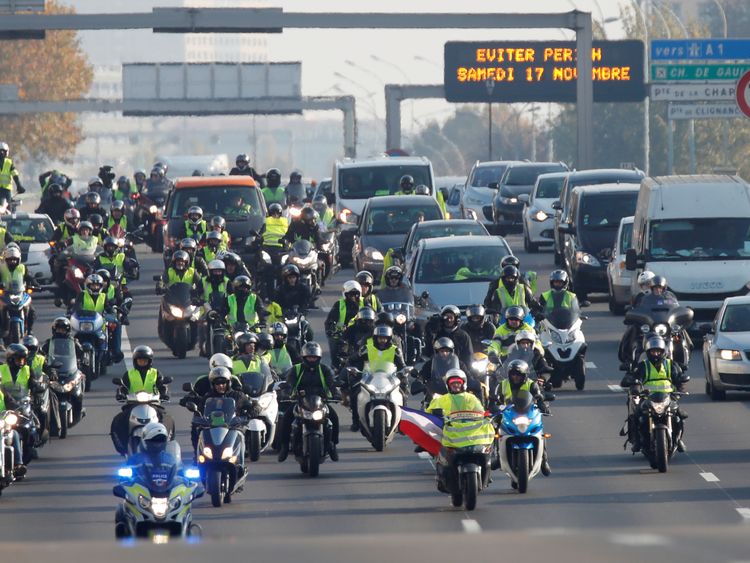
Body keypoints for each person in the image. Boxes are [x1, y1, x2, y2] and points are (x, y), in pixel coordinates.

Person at [426, 369, 495, 491]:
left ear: (463, 384)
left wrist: (487, 415)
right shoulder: (442, 399)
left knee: (489, 441)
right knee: (440, 452)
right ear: (448, 385)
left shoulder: (471, 398)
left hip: (472, 435)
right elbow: (429, 414)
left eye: (458, 383)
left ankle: (487, 474)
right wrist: (435, 414)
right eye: (453, 383)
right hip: (451, 435)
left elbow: (481, 412)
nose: (456, 386)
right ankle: (442, 475)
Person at [620, 336, 689, 453]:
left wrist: (677, 394)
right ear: (648, 352)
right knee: (636, 416)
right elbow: (632, 378)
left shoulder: (671, 365)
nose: (656, 354)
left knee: (680, 416)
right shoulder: (643, 366)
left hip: (668, 398)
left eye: (658, 351)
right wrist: (634, 385)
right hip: (647, 399)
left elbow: (679, 380)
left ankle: (678, 439)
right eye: (653, 351)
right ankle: (637, 441)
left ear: (663, 351)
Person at [277, 341, 341, 462]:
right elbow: (289, 383)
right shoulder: (296, 369)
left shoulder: (325, 370)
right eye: (309, 357)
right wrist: (287, 393)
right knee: (286, 418)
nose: (312, 360)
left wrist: (336, 394)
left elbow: (332, 384)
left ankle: (333, 445)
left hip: (320, 403)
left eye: (314, 357)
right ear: (304, 357)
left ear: (319, 358)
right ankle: (284, 447)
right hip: (301, 402)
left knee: (334, 418)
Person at [110, 345, 174, 456]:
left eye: (145, 360)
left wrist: (165, 394)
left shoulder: (155, 373)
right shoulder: (129, 374)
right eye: (140, 360)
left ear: (150, 361)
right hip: (133, 404)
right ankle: (123, 446)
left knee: (167, 419)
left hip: (153, 404)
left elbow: (162, 386)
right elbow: (123, 387)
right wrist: (120, 394)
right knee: (118, 420)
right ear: (135, 361)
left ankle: (166, 443)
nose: (142, 362)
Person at [347, 325, 405, 431]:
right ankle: (356, 421)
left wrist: (403, 372)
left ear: (389, 339)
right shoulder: (366, 349)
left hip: (389, 380)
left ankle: (402, 424)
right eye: (380, 338)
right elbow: (352, 359)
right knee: (354, 395)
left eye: (385, 338)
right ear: (375, 338)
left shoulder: (395, 350)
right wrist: (354, 370)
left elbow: (402, 366)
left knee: (402, 395)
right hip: (369, 379)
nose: (382, 340)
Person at [0, 245, 37, 335]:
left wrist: (35, 284)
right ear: (6, 259)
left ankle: (29, 330)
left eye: (15, 259)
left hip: (20, 293)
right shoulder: (1, 268)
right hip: (5, 294)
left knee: (32, 310)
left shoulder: (22, 268)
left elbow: (29, 277)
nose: (12, 261)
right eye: (10, 259)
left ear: (18, 259)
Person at [325, 281, 362, 363]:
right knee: (335, 348)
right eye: (351, 294)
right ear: (345, 294)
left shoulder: (365, 303)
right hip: (342, 335)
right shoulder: (339, 305)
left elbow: (373, 316)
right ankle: (336, 367)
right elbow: (330, 320)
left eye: (356, 294)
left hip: (359, 333)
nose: (353, 297)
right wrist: (332, 329)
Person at [0, 142, 24, 207]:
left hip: (7, 191)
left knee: (9, 206)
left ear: (6, 152)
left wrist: (19, 185)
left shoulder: (9, 163)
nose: (1, 153)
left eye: (3, 151)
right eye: (0, 151)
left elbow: (15, 174)